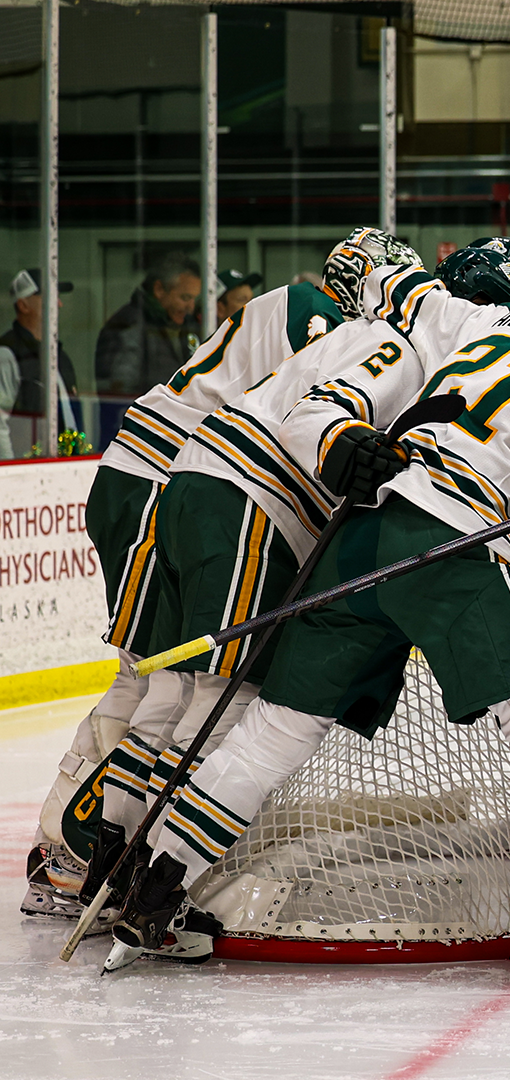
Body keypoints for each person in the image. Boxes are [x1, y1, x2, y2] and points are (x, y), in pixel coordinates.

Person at [107, 243, 510, 1004]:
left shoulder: (481, 319)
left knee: (274, 729)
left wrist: (342, 421)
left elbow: (397, 286)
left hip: (359, 534)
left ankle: (152, 895)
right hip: (456, 534)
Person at [21, 228, 406, 923]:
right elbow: (307, 418)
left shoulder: (288, 305)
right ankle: (78, 852)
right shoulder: (319, 317)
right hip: (169, 479)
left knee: (157, 678)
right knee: (167, 681)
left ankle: (84, 852)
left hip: (156, 475)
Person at [94, 251, 204, 399]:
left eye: (194, 299)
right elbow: (120, 394)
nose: (191, 307)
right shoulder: (129, 326)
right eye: (185, 298)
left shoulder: (187, 325)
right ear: (159, 289)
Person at [0, 268, 77, 460]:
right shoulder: (7, 354)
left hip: (62, 465)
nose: (59, 304)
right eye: (50, 297)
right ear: (23, 305)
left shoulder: (59, 356)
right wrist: (12, 468)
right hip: (27, 466)